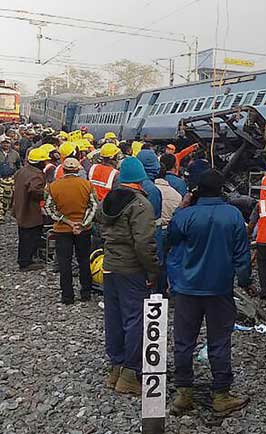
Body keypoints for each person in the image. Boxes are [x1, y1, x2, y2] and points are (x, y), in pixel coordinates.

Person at [167, 169, 251, 416]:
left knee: (183, 342)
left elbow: (170, 237)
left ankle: (184, 393)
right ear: (222, 189)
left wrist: (183, 206)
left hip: (186, 289)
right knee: (219, 341)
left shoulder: (186, 216)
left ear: (196, 191)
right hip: (219, 289)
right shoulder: (233, 215)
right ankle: (221, 394)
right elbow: (242, 255)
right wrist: (245, 281)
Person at [96, 157, 160, 396]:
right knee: (135, 319)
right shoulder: (140, 204)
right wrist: (153, 270)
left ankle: (116, 368)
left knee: (113, 317)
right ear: (141, 178)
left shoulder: (109, 200)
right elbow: (144, 243)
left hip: (109, 267)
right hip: (132, 269)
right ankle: (131, 375)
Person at [46, 157, 97, 305]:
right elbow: (93, 206)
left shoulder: (53, 186)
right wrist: (82, 224)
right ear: (77, 169)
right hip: (83, 230)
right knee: (83, 261)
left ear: (63, 169)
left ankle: (67, 296)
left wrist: (66, 221)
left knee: (64, 263)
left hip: (62, 231)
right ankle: (86, 293)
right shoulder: (87, 185)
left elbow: (50, 209)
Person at [12, 147, 49, 271]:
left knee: (24, 236)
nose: (45, 163)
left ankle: (24, 259)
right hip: (30, 211)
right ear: (39, 162)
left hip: (20, 208)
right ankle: (26, 262)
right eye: (44, 161)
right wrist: (46, 194)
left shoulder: (23, 171)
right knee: (31, 236)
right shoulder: (37, 175)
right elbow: (34, 191)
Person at [0, 136, 21, 222]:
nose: (6, 144)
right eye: (4, 142)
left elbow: (18, 166)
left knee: (7, 199)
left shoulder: (15, 154)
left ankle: (3, 213)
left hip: (10, 180)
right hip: (0, 179)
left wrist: (15, 177)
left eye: (7, 143)